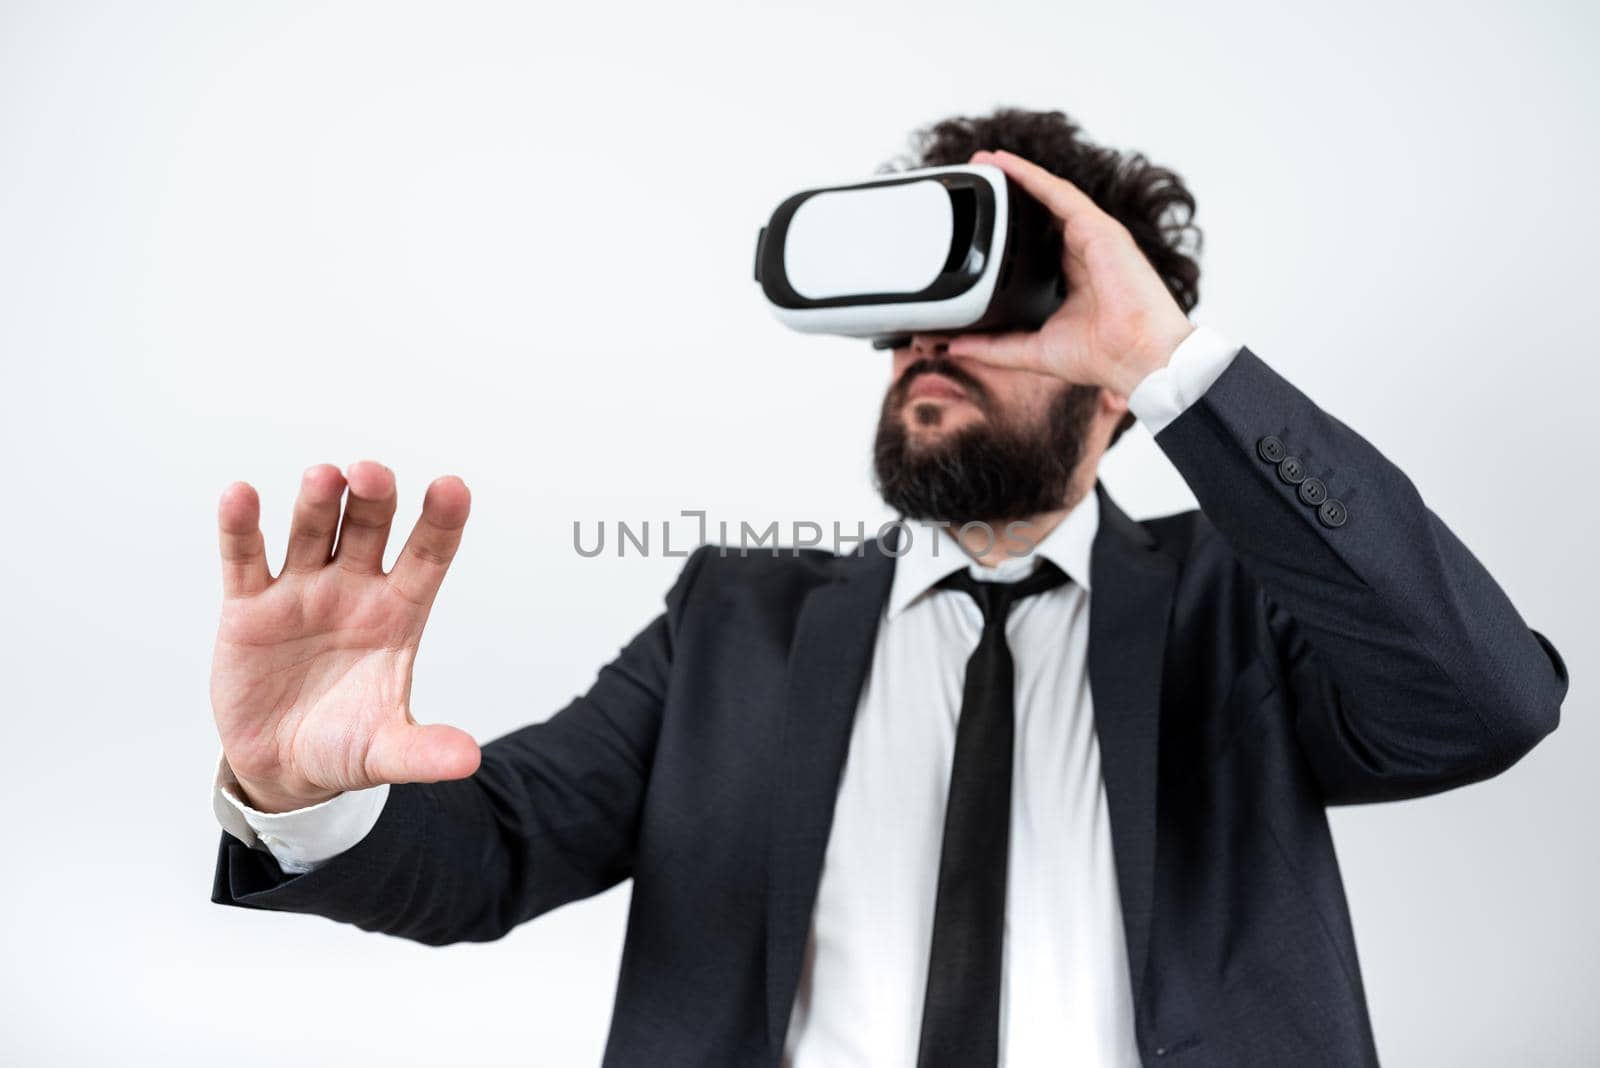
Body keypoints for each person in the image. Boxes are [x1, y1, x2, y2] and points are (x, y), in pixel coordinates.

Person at [206, 109, 1568, 1067]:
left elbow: (1484, 699)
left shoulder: (1243, 606)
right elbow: (492, 853)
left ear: (1119, 391)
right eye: (913, 311)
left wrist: (1175, 354)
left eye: (1004, 307)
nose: (933, 341)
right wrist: (301, 793)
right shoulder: (732, 620)